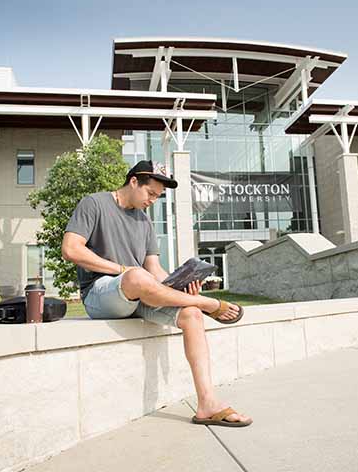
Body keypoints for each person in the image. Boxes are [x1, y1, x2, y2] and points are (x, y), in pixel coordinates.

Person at [61, 160, 252, 427]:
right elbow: (71, 249)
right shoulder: (94, 203)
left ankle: (207, 403)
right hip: (99, 294)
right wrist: (122, 270)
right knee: (137, 276)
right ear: (133, 181)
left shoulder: (144, 221)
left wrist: (179, 284)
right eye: (150, 193)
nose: (153, 201)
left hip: (137, 293)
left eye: (158, 197)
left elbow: (154, 269)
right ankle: (206, 302)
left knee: (191, 315)